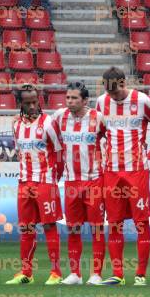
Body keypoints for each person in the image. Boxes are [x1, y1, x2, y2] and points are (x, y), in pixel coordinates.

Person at [95, 67, 150, 286]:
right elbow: (101, 132)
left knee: (141, 222)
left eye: (117, 91)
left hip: (137, 171)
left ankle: (140, 274)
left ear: (124, 82)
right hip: (111, 171)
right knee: (114, 223)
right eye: (109, 92)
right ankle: (118, 274)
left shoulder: (142, 101)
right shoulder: (101, 102)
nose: (114, 96)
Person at [6, 84, 64, 285]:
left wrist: (54, 178)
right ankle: (26, 273)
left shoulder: (49, 123)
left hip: (45, 182)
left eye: (34, 101)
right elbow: (20, 152)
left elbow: (59, 152)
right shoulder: (15, 125)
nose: (32, 106)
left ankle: (56, 272)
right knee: (26, 228)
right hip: (24, 182)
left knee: (49, 225)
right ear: (20, 103)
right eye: (27, 102)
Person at [52, 82, 107, 286]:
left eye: (74, 98)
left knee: (96, 229)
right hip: (71, 182)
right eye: (68, 98)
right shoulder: (59, 117)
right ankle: (75, 273)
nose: (70, 102)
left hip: (93, 180)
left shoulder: (98, 118)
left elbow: (112, 139)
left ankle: (96, 273)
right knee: (73, 228)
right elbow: (48, 136)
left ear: (85, 100)